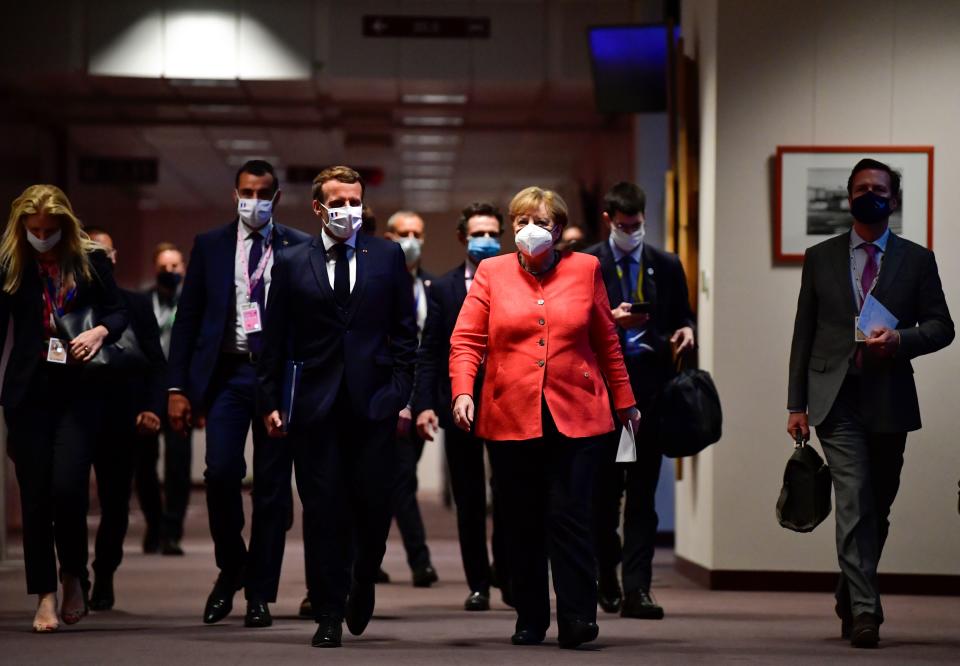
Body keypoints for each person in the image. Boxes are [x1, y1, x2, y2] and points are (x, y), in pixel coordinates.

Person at [449, 186, 640, 649]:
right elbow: (466, 340)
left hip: (576, 413)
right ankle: (530, 617)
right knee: (521, 521)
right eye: (521, 221)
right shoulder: (492, 272)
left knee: (570, 517)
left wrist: (625, 400)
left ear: (558, 230)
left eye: (541, 222)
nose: (530, 230)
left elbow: (605, 341)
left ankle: (577, 616)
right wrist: (462, 393)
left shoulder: (586, 268)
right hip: (510, 415)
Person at [787, 158, 953, 648]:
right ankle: (866, 610)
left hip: (889, 397)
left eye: (878, 189)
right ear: (848, 196)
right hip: (834, 399)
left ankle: (848, 588)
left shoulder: (917, 260)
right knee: (855, 501)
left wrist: (900, 340)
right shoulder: (820, 257)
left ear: (893, 199)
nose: (869, 195)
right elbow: (804, 334)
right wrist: (796, 403)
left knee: (877, 508)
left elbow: (943, 326)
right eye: (860, 188)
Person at [258, 165, 418, 648]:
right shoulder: (290, 261)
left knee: (374, 504)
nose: (348, 210)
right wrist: (271, 401)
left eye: (355, 201)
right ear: (317, 208)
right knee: (323, 509)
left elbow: (407, 333)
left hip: (373, 403)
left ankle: (363, 575)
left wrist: (399, 391)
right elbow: (275, 338)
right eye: (339, 202)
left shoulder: (386, 256)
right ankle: (328, 610)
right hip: (314, 406)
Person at [166, 160, 311, 628]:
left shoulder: (298, 246)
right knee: (221, 472)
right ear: (234, 195)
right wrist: (177, 388)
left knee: (271, 491)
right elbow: (188, 321)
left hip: (277, 380)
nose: (254, 200)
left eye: (263, 193)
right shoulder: (210, 246)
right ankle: (232, 569)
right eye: (246, 192)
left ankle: (260, 594)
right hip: (228, 375)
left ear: (276, 198)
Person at [0, 185, 128, 632]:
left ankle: (74, 572)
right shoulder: (12, 263)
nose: (41, 237)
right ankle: (45, 596)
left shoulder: (89, 259)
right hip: (28, 394)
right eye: (34, 230)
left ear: (65, 227)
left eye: (50, 230)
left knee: (69, 488)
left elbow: (118, 312)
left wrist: (99, 334)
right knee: (35, 497)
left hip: (78, 390)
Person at [584, 182, 695, 620]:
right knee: (604, 496)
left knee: (644, 496)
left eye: (639, 224)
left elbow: (682, 314)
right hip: (603, 399)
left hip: (648, 397)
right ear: (609, 220)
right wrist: (610, 323)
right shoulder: (588, 263)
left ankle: (638, 589)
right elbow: (572, 327)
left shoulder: (664, 264)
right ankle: (605, 575)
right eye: (625, 225)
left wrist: (687, 331)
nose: (633, 231)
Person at [412, 201, 511, 611]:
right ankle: (478, 584)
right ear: (462, 237)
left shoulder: (516, 280)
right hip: (461, 405)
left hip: (509, 404)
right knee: (468, 498)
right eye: (478, 233)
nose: (486, 240)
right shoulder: (446, 288)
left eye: (492, 232)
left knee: (507, 494)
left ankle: (504, 568)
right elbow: (431, 350)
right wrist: (425, 404)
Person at [84, 229, 165, 611]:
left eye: (102, 252)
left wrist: (152, 407)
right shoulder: (66, 303)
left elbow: (155, 362)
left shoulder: (134, 304)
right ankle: (72, 573)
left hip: (122, 415)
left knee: (115, 501)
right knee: (67, 494)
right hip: (76, 412)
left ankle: (104, 572)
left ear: (113, 258)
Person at [383, 209, 438, 588]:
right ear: (389, 237)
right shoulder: (377, 281)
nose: (411, 239)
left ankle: (370, 558)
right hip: (381, 394)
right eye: (404, 232)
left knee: (399, 479)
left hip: (419, 395)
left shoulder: (432, 287)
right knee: (393, 480)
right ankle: (419, 561)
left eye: (417, 232)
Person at [136, 242, 192, 556]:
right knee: (144, 466)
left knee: (178, 465)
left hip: (180, 390)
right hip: (147, 391)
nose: (170, 272)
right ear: (155, 270)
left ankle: (172, 532)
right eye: (164, 268)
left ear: (183, 268)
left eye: (175, 267)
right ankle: (154, 524)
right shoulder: (143, 302)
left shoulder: (192, 303)